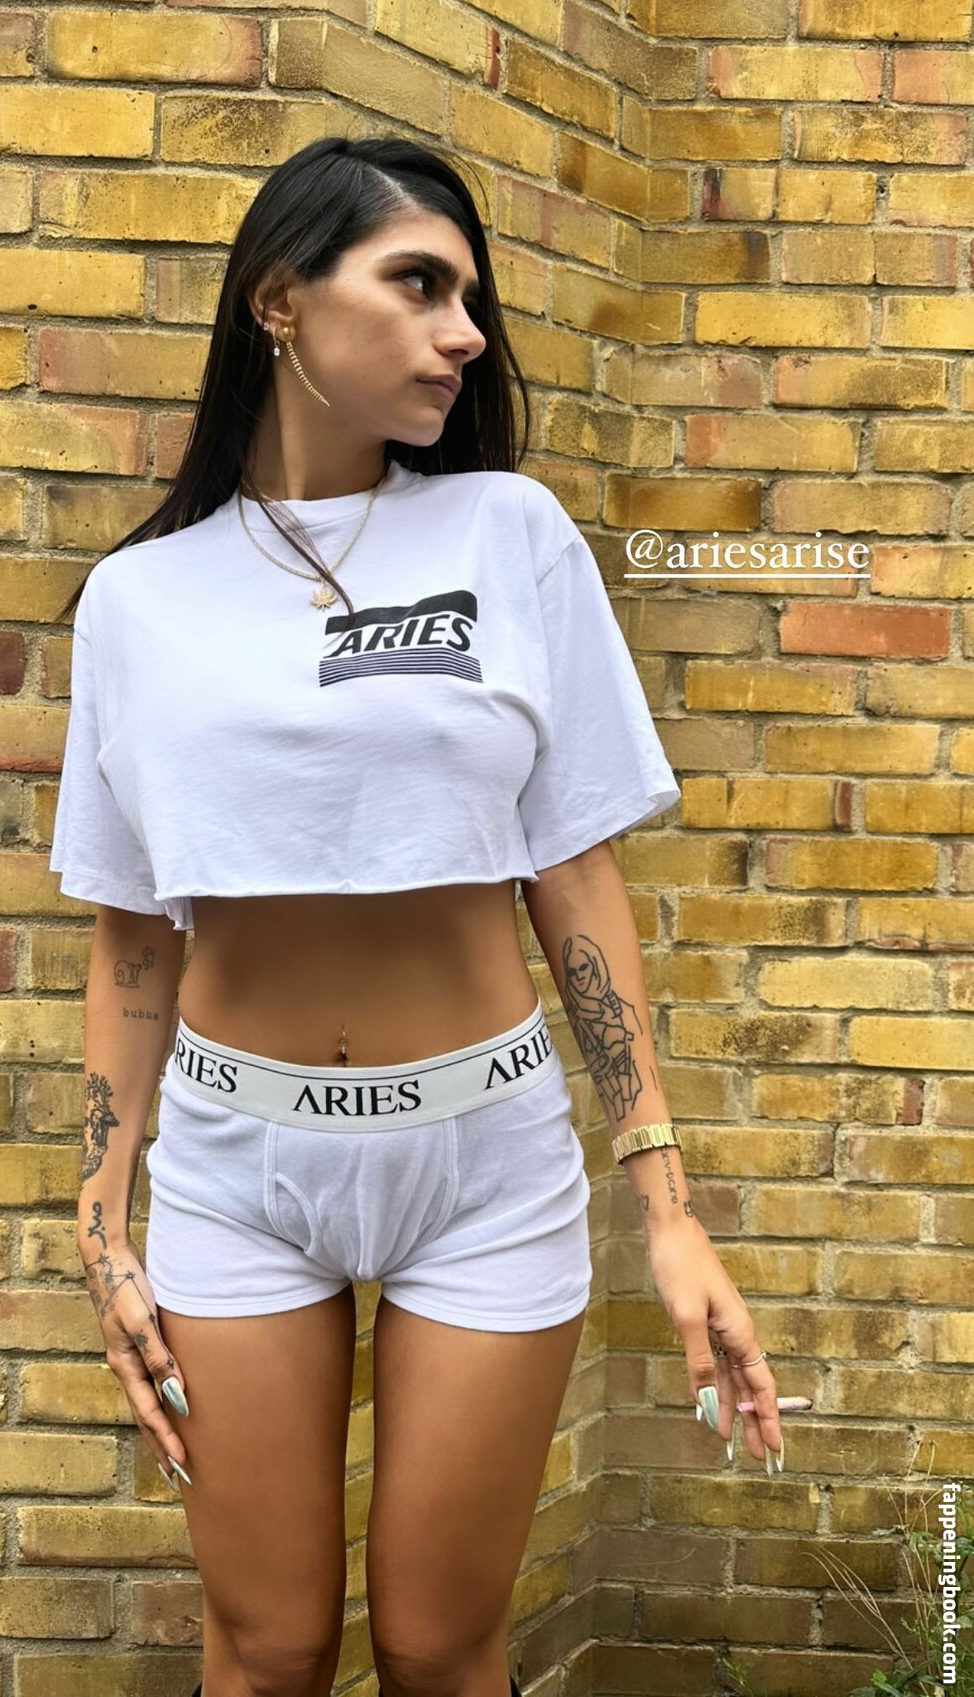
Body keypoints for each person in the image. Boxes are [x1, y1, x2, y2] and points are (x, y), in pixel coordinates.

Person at [51, 135, 784, 1697]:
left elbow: (575, 872)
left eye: (472, 298)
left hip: (482, 1160)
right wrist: (103, 1222)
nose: (465, 332)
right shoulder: (139, 600)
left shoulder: (509, 534)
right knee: (269, 1647)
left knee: (442, 1648)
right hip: (239, 1165)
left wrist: (666, 1203)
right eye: (420, 285)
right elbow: (132, 936)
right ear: (280, 299)